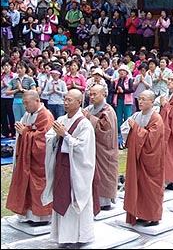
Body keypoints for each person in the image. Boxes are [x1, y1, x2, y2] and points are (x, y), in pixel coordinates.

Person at [41, 89, 97, 247]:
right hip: (61, 166)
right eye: (65, 99)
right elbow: (50, 137)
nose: (65, 103)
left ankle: (80, 237)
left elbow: (83, 148)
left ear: (79, 102)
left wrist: (65, 135)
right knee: (61, 199)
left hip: (76, 170)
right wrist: (58, 136)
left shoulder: (84, 124)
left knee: (75, 201)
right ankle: (63, 237)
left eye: (69, 100)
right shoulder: (61, 119)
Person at [6, 90, 54, 225]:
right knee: (25, 185)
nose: (25, 106)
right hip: (27, 158)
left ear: (37, 101)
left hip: (39, 162)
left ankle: (41, 217)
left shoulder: (45, 115)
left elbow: (44, 140)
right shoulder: (27, 114)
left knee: (38, 186)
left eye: (27, 103)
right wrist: (22, 131)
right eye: (24, 103)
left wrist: (25, 132)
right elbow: (26, 131)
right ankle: (28, 214)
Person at [121, 89, 165, 226]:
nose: (140, 101)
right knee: (138, 186)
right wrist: (132, 129)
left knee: (151, 188)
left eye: (144, 99)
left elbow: (152, 140)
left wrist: (137, 130)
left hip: (151, 160)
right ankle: (140, 213)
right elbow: (124, 130)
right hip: (137, 158)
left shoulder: (156, 119)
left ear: (152, 102)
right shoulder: (136, 115)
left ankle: (153, 216)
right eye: (139, 98)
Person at [82, 84, 119, 211]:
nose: (91, 97)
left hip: (104, 150)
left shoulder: (108, 110)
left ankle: (104, 202)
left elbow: (105, 130)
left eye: (94, 94)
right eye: (90, 94)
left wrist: (89, 118)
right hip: (91, 148)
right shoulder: (90, 108)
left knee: (104, 175)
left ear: (104, 95)